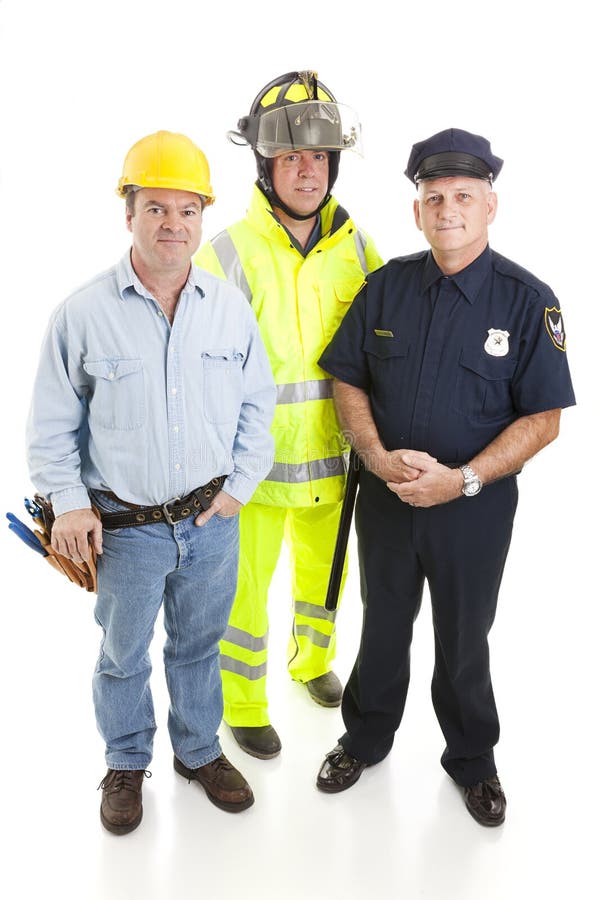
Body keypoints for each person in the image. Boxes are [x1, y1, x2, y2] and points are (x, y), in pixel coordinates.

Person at [315, 128, 575, 826]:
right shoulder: (386, 288)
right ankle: (363, 740)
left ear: (491, 206)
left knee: (464, 637)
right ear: (417, 212)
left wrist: (459, 479)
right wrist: (372, 454)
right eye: (434, 198)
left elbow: (544, 419)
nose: (448, 209)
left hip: (473, 510)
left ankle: (472, 760)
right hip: (388, 502)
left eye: (464, 196)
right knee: (383, 627)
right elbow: (347, 380)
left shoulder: (529, 300)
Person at [26, 130, 276, 834]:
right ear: (128, 214)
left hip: (211, 523)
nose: (174, 225)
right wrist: (70, 505)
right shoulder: (82, 313)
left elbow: (260, 405)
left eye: (188, 211)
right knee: (122, 654)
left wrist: (238, 490)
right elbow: (50, 428)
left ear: (203, 217)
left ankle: (198, 751)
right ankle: (127, 762)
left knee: (200, 645)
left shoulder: (227, 306)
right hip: (125, 530)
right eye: (157, 209)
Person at [195, 71, 383, 760]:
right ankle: (242, 702)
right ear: (266, 165)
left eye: (320, 156)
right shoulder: (225, 255)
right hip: (249, 472)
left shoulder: (359, 251)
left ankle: (310, 663)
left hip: (335, 462)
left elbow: (386, 348)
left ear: (333, 164)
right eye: (291, 156)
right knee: (241, 595)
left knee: (323, 579)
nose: (308, 169)